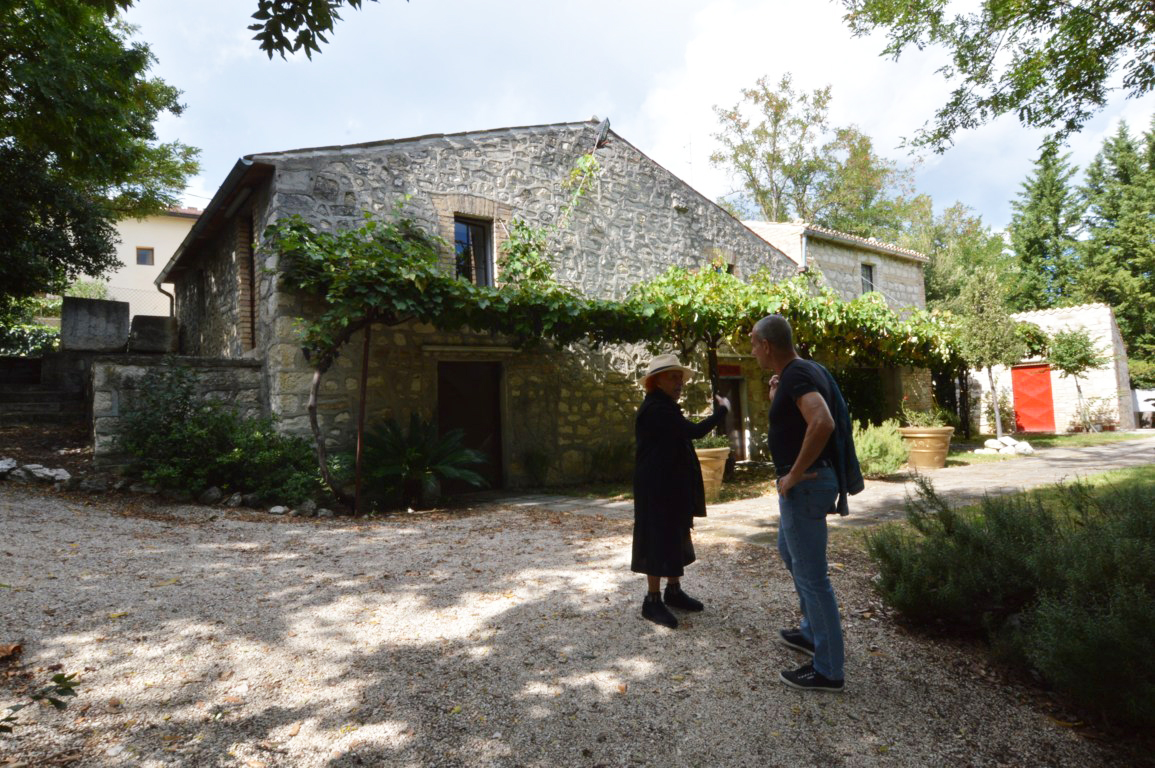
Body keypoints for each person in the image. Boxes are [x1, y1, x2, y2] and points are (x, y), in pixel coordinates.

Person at [750, 314, 862, 691]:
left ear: (767, 345)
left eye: (753, 343)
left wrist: (794, 474)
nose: (752, 350)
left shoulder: (797, 375)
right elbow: (801, 422)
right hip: (807, 486)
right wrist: (775, 399)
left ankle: (828, 669)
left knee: (814, 578)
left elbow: (822, 422)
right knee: (787, 550)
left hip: (806, 486)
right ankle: (812, 632)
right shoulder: (799, 373)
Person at [631, 353, 730, 629]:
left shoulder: (665, 405)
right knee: (656, 536)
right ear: (656, 381)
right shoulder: (656, 408)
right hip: (655, 485)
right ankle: (652, 600)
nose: (680, 383)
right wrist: (722, 410)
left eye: (680, 377)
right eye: (673, 377)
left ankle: (672, 591)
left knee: (674, 532)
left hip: (669, 483)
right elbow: (694, 432)